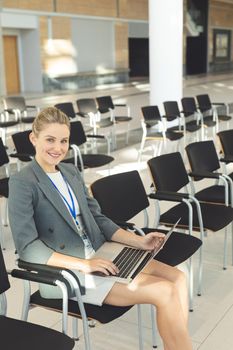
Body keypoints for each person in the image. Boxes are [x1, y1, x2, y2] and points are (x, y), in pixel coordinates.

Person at [8, 106, 192, 350]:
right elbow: (27, 247)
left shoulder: (70, 171)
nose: (58, 148)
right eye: (50, 140)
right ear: (34, 138)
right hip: (70, 271)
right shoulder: (23, 182)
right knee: (164, 292)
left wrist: (139, 241)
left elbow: (98, 218)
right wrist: (85, 264)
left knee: (179, 278)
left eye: (63, 141)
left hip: (101, 253)